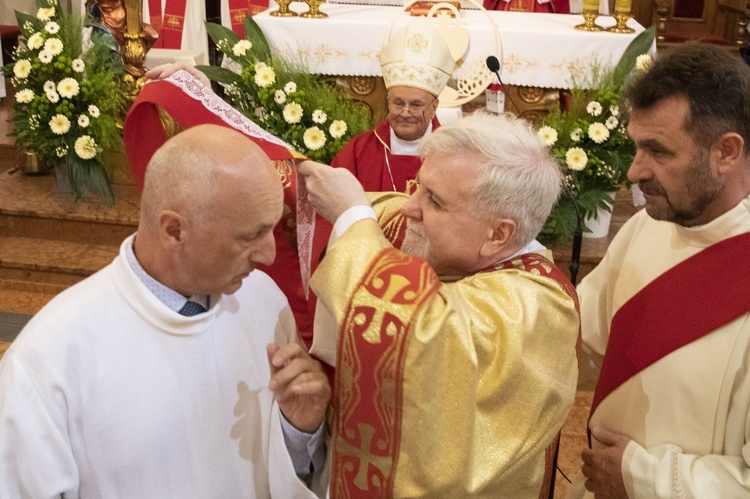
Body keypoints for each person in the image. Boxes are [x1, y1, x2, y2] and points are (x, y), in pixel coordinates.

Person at [0, 125, 331, 497]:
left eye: (271, 230)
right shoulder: (49, 359)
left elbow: (285, 471)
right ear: (174, 230)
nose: (268, 255)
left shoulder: (263, 301)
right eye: (249, 236)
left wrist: (299, 430)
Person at [298, 111, 581, 497]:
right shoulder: (446, 238)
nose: (408, 208)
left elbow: (424, 329)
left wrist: (351, 217)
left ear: (499, 234)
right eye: (418, 186)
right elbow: (366, 204)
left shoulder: (536, 305)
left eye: (433, 200)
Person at [568, 42, 750, 498]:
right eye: (635, 146)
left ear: (726, 152)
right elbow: (580, 339)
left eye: (658, 151)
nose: (634, 171)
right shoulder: (646, 228)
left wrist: (639, 478)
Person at [330, 18, 458, 192]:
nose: (405, 113)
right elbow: (332, 204)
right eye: (398, 103)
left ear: (434, 107)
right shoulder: (358, 151)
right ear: (388, 102)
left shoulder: (452, 156)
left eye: (415, 105)